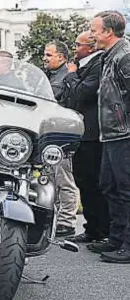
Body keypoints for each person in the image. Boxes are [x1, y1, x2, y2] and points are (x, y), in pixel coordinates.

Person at [88, 10, 130, 263]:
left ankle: (127, 244)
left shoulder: (125, 56)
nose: (91, 34)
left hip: (124, 134)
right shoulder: (108, 56)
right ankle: (115, 238)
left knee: (126, 190)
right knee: (109, 186)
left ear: (108, 32)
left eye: (94, 30)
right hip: (111, 134)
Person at [63, 31, 109, 243]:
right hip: (80, 133)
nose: (74, 48)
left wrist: (71, 74)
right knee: (82, 180)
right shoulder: (84, 66)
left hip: (92, 133)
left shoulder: (98, 65)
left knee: (93, 182)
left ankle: (102, 230)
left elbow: (82, 93)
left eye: (77, 44)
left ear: (90, 48)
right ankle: (92, 227)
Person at [43, 41, 81, 237]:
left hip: (63, 135)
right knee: (51, 178)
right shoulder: (49, 76)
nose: (45, 58)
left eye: (49, 55)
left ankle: (66, 221)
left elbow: (55, 99)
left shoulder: (65, 76)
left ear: (61, 57)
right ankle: (57, 219)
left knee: (63, 178)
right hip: (51, 134)